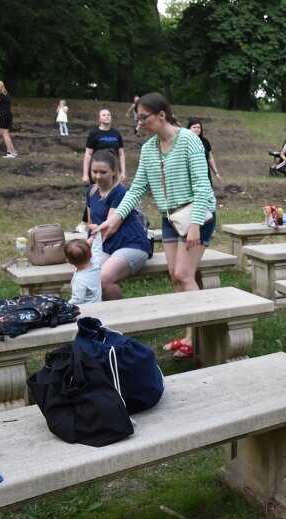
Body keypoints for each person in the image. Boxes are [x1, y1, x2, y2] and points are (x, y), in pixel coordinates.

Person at [96, 92, 216, 361]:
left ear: (161, 115)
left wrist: (195, 225)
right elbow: (137, 188)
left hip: (197, 215)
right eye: (138, 119)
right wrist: (113, 219)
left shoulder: (189, 140)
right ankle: (188, 334)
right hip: (171, 218)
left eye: (143, 118)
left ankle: (198, 338)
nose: (140, 123)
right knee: (175, 275)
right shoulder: (149, 148)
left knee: (185, 275)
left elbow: (202, 186)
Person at [85, 149, 152, 300]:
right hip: (106, 246)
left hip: (130, 244)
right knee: (87, 276)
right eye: (94, 171)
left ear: (114, 171)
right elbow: (91, 225)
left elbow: (109, 229)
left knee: (103, 278)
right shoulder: (90, 192)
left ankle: (121, 316)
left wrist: (82, 248)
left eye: (103, 172)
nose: (97, 176)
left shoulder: (119, 191)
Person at [83, 108, 126, 186]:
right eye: (104, 115)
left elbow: (121, 154)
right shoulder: (94, 133)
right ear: (99, 119)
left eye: (108, 115)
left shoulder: (116, 133)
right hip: (99, 168)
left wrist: (123, 172)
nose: (107, 116)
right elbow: (88, 154)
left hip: (113, 168)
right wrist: (85, 174)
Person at [64, 238, 102, 305]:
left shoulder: (79, 280)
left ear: (69, 261)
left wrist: (65, 306)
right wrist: (97, 234)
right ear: (91, 254)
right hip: (98, 303)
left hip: (88, 309)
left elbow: (78, 300)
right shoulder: (96, 264)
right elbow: (97, 248)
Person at [187, 118, 222, 187]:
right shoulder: (185, 141)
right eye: (194, 127)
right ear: (189, 128)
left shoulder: (205, 141)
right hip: (190, 173)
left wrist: (216, 173)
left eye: (199, 127)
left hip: (204, 174)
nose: (197, 129)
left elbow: (210, 158)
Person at [0, 80, 16, 158]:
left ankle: (10, 152)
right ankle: (13, 151)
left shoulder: (1, 95)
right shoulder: (6, 94)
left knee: (5, 134)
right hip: (7, 116)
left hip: (4, 117)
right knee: (6, 133)